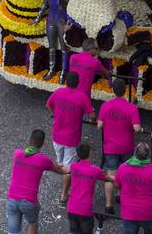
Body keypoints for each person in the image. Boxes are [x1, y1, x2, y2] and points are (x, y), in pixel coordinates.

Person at [6, 128, 68, 234]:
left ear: (30, 139)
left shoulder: (17, 153)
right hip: (29, 201)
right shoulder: (44, 160)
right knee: (32, 223)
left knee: (13, 231)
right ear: (43, 143)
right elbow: (61, 170)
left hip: (12, 198)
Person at [46, 70, 95, 206]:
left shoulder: (58, 93)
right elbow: (91, 115)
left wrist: (54, 115)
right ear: (78, 83)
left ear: (66, 81)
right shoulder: (81, 96)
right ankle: (64, 194)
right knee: (68, 167)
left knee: (61, 162)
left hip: (57, 135)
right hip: (72, 138)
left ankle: (63, 178)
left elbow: (48, 104)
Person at [97, 76, 141, 214]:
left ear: (113, 90)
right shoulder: (132, 108)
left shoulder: (105, 106)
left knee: (110, 174)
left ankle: (109, 205)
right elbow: (137, 128)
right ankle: (121, 196)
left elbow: (99, 126)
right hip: (126, 146)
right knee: (125, 172)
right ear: (125, 90)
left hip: (110, 146)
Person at [114, 141, 152, 234]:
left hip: (128, 212)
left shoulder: (123, 168)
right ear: (148, 155)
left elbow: (116, 185)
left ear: (134, 153)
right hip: (148, 212)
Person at [67, 141, 113, 234]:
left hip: (71, 208)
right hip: (85, 210)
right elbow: (107, 178)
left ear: (77, 154)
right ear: (90, 153)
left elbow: (62, 169)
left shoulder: (73, 166)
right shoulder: (95, 170)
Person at [32, 0, 70, 82]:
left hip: (62, 22)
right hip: (51, 21)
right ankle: (52, 70)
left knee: (64, 48)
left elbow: (71, 8)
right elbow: (44, 6)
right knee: (52, 48)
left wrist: (69, 23)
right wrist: (37, 19)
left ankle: (63, 72)